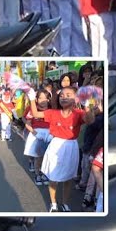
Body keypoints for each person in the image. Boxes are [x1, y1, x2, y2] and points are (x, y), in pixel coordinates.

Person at [28, 83, 98, 212]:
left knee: (68, 178)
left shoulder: (78, 113)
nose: (64, 97)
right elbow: (36, 114)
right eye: (61, 95)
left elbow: (90, 120)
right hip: (55, 145)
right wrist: (32, 98)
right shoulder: (53, 113)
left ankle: (65, 203)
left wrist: (87, 105)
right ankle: (53, 203)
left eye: (68, 95)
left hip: (71, 146)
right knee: (53, 178)